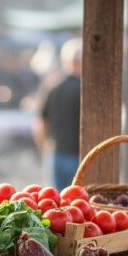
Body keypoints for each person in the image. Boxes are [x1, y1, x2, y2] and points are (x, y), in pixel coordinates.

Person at [33, 37, 82, 188]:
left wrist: (44, 149)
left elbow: (40, 124)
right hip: (80, 157)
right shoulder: (87, 90)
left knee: (53, 205)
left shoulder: (52, 87)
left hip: (56, 154)